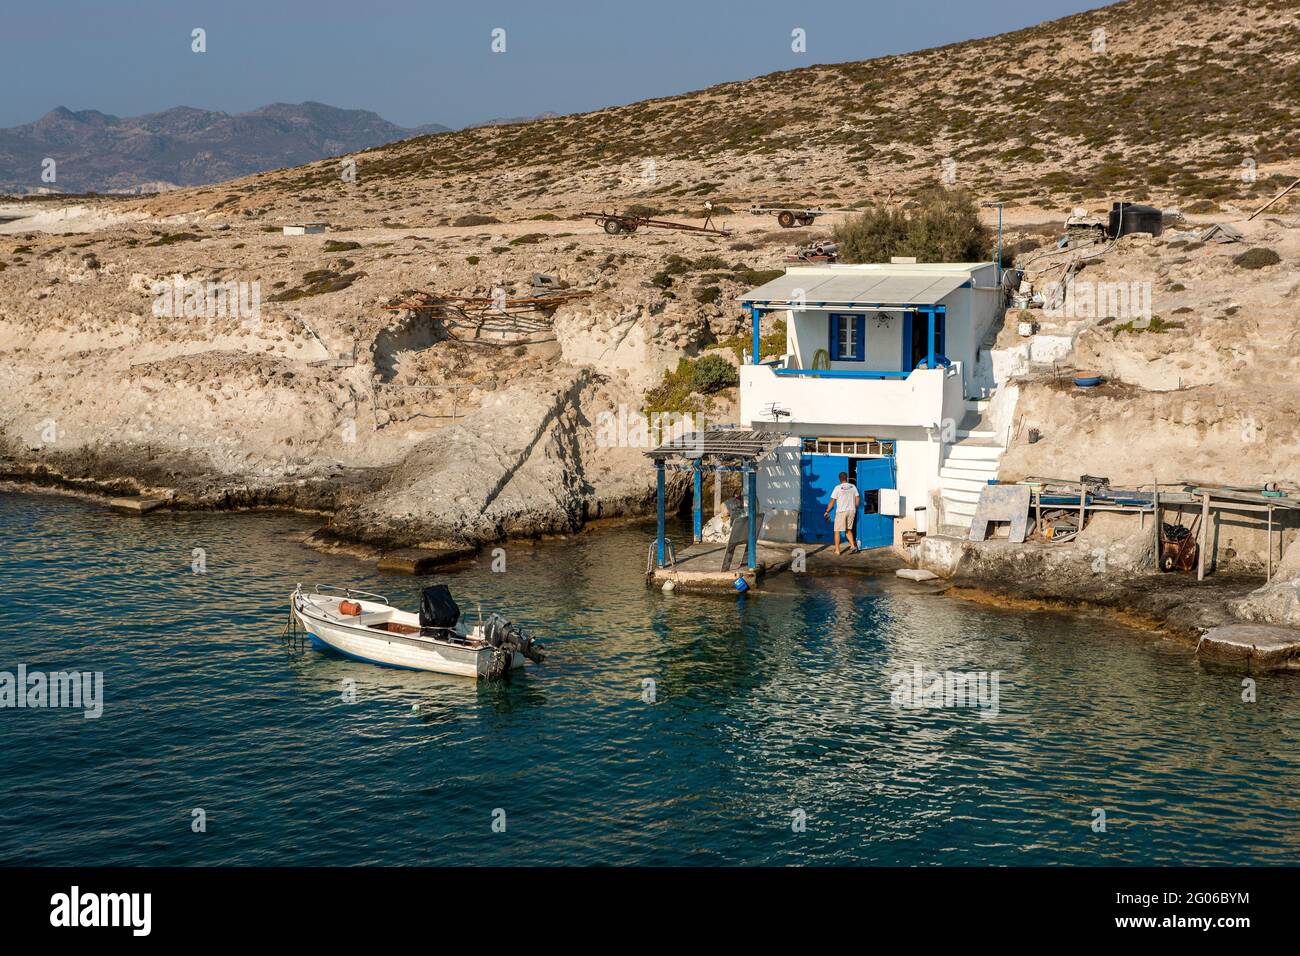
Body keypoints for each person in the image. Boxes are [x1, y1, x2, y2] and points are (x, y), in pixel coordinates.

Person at [823, 471, 859, 555]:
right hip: (851, 510)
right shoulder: (852, 486)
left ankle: (837, 550)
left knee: (837, 531)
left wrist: (827, 511)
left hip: (841, 512)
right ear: (846, 478)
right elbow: (857, 498)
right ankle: (853, 546)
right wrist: (855, 507)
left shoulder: (838, 488)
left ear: (839, 479)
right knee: (848, 529)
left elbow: (832, 501)